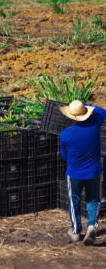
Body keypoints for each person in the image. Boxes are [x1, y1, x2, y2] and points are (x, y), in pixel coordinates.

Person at [60, 100, 106, 245]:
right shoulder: (94, 125)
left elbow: (64, 155)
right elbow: (102, 111)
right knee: (93, 199)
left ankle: (76, 231)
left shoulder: (66, 134)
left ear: (72, 117)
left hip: (74, 173)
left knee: (74, 201)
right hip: (94, 171)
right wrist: (86, 105)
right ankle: (92, 225)